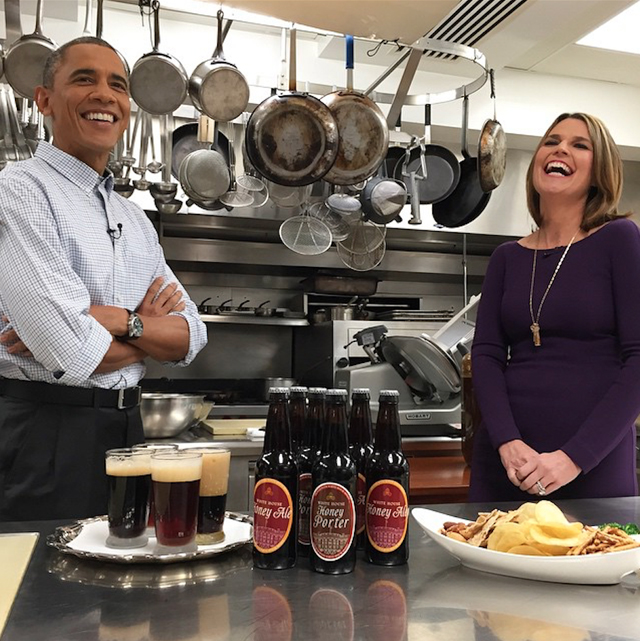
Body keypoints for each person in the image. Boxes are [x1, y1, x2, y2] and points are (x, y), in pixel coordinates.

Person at [0, 37, 207, 521]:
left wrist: (111, 321)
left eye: (117, 85)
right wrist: (146, 332)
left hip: (128, 431)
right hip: (46, 431)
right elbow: (69, 354)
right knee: (43, 592)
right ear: (44, 100)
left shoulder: (133, 218)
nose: (105, 95)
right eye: (84, 79)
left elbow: (193, 335)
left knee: (126, 585)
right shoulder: (20, 191)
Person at [469, 112, 640, 502]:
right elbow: (487, 354)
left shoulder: (620, 239)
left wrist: (573, 458)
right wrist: (506, 442)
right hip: (507, 464)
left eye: (580, 145)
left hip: (591, 465)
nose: (561, 148)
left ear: (601, 173)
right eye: (552, 141)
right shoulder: (506, 257)